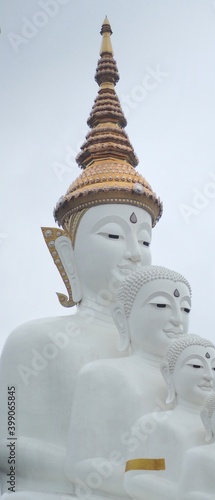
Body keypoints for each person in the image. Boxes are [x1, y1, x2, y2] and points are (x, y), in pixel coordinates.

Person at [0, 18, 162, 497]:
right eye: (113, 235)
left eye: (147, 239)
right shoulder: (34, 343)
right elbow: (8, 458)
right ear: (67, 251)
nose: (135, 253)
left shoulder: (169, 361)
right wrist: (99, 474)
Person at [65, 265, 191, 499]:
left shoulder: (205, 391)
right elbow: (79, 465)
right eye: (162, 305)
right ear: (123, 317)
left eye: (185, 309)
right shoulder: (102, 374)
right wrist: (162, 485)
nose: (177, 319)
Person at [123, 334, 215, 500]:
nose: (209, 376)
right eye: (197, 366)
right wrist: (184, 495)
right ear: (169, 373)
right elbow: (134, 480)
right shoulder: (153, 424)